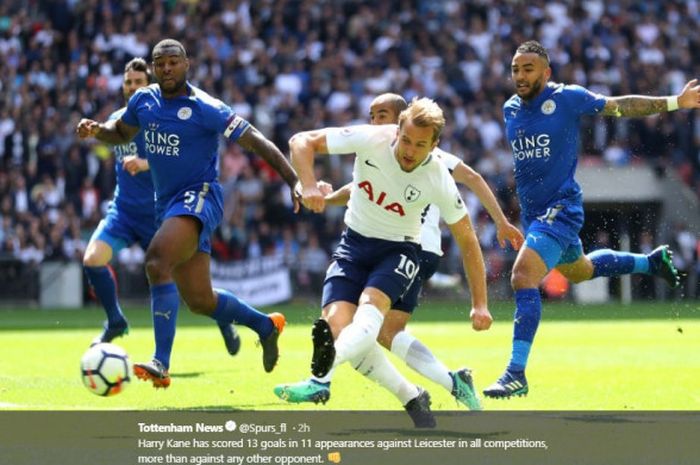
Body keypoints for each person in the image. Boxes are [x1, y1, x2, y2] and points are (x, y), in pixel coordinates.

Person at [274, 93, 523, 411]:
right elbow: (301, 140)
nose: (410, 151)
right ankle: (415, 396)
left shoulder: (437, 174)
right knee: (339, 327)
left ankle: (319, 380)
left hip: (400, 251)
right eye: (406, 140)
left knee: (371, 314)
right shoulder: (373, 138)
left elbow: (467, 238)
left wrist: (480, 303)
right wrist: (309, 185)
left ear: (434, 146)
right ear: (397, 130)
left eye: (420, 145)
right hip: (353, 246)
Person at [76, 39, 299, 388]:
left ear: (187, 64)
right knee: (200, 300)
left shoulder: (206, 107)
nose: (166, 69)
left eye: (173, 62)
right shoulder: (143, 102)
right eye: (160, 63)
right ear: (153, 67)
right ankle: (265, 326)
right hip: (166, 205)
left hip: (201, 196)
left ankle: (160, 362)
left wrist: (294, 181)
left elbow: (256, 140)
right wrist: (96, 131)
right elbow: (120, 133)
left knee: (156, 261)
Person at [483, 40, 691, 399]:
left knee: (522, 276)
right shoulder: (510, 109)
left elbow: (618, 107)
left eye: (528, 68)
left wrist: (674, 102)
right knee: (579, 270)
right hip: (536, 216)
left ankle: (516, 372)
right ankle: (649, 261)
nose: (520, 75)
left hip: (562, 208)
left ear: (546, 73)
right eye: (515, 68)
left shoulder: (566, 98)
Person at [82, 58, 242, 356]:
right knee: (92, 259)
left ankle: (223, 319)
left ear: (150, 86)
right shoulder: (120, 120)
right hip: (125, 212)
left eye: (138, 83)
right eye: (128, 82)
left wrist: (144, 163)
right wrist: (93, 130)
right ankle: (115, 321)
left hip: (163, 214)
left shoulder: (161, 118)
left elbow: (183, 158)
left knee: (193, 293)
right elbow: (107, 143)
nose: (132, 87)